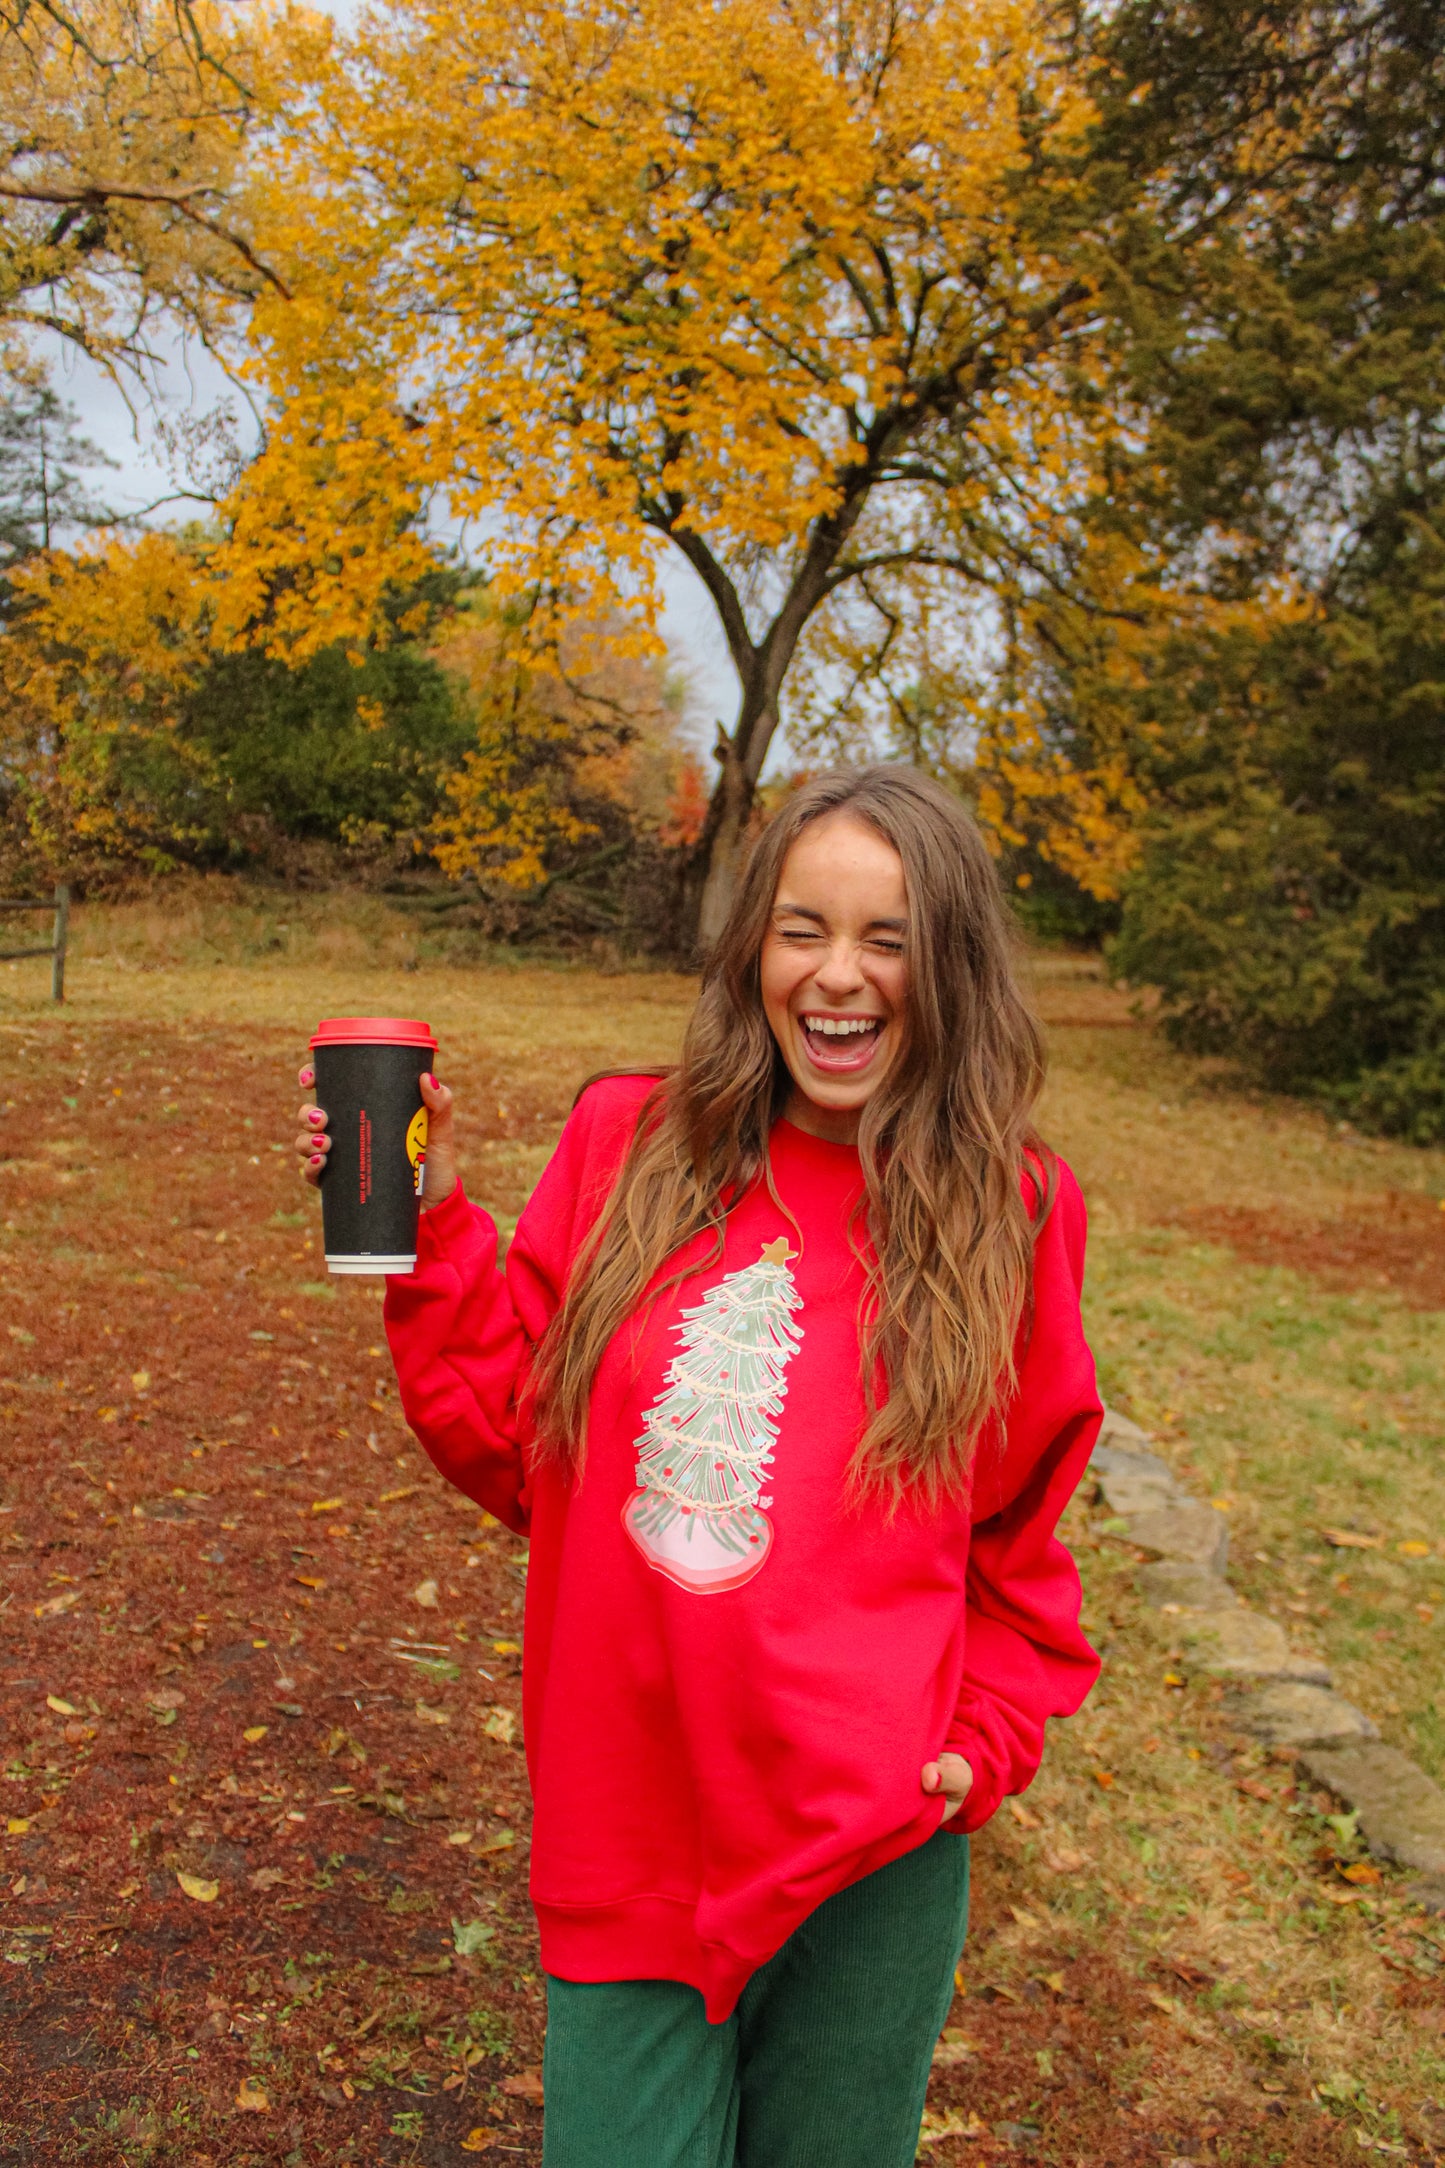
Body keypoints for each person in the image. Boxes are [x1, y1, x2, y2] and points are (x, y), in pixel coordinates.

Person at [294, 767, 1102, 2168]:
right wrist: (428, 1233)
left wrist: (981, 1743)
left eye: (888, 939)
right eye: (801, 929)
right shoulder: (635, 1141)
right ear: (751, 949)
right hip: (634, 1826)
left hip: (871, 1848)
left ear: (953, 963)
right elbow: (515, 1445)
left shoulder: (1013, 1210)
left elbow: (1017, 1530)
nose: (837, 978)